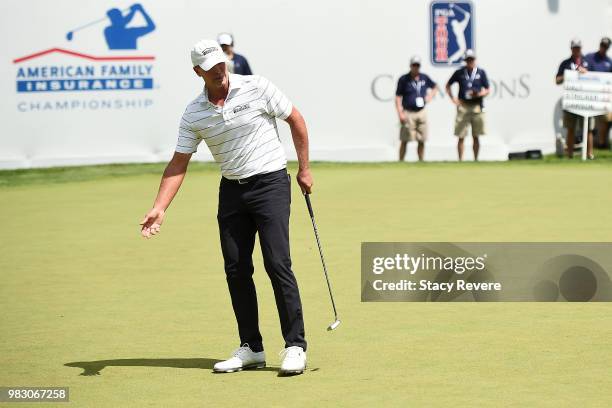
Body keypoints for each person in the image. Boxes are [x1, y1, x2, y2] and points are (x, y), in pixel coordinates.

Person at [140, 39, 311, 375]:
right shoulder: (194, 113)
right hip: (232, 190)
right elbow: (179, 162)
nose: (219, 71)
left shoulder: (257, 86)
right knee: (236, 268)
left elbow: (296, 120)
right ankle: (251, 348)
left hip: (270, 183)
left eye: (221, 64)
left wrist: (304, 168)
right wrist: (160, 207)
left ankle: (295, 346)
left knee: (278, 263)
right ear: (197, 72)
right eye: (210, 67)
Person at [445, 49, 490, 161]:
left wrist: (479, 94)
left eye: (471, 59)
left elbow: (487, 89)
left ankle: (476, 159)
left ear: (475, 60)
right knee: (461, 136)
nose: (470, 61)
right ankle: (460, 160)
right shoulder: (459, 72)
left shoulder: (481, 72)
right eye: (468, 60)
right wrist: (453, 99)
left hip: (476, 106)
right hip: (463, 106)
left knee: (476, 135)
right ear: (465, 60)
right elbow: (448, 85)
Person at [395, 56, 438, 161]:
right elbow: (398, 97)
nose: (416, 67)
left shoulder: (424, 77)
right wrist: (400, 113)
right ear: (410, 66)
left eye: (417, 65)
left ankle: (421, 161)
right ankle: (401, 161)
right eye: (414, 65)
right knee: (405, 139)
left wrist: (429, 97)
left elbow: (435, 86)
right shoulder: (404, 79)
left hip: (421, 112)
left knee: (422, 139)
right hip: (408, 112)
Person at [556, 38, 593, 159]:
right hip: (572, 100)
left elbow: (596, 78)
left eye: (578, 47)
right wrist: (569, 75)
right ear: (571, 49)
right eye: (574, 48)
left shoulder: (587, 62)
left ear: (581, 48)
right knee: (570, 128)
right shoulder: (565, 63)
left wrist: (586, 73)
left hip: (586, 100)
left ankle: (589, 154)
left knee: (588, 129)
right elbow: (557, 80)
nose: (576, 50)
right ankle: (569, 154)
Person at [585, 37, 612, 149]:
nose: (603, 48)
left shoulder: (609, 62)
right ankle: (590, 147)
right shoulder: (589, 57)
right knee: (588, 122)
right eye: (602, 45)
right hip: (589, 95)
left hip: (602, 96)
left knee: (607, 118)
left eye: (605, 46)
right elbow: (580, 67)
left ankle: (601, 143)